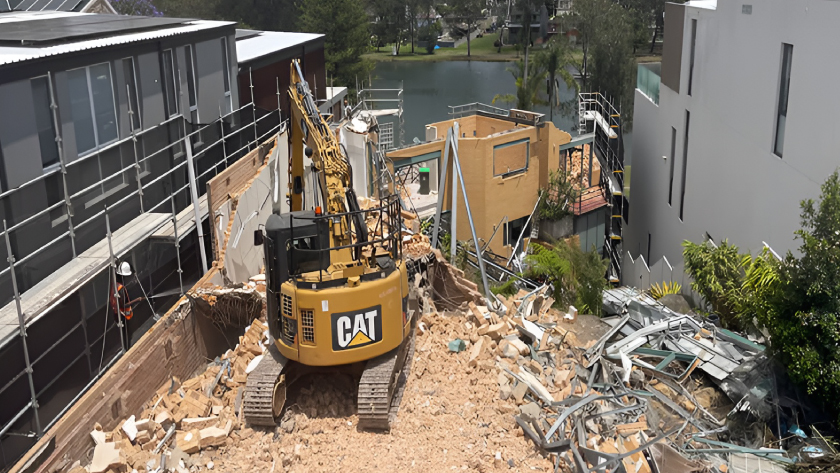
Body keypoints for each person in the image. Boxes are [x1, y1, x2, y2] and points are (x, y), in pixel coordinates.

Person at [109, 262, 144, 348]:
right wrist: (137, 299)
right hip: (123, 315)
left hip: (117, 314)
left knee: (124, 335)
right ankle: (127, 349)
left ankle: (126, 347)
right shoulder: (120, 289)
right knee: (127, 335)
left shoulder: (115, 285)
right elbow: (124, 305)